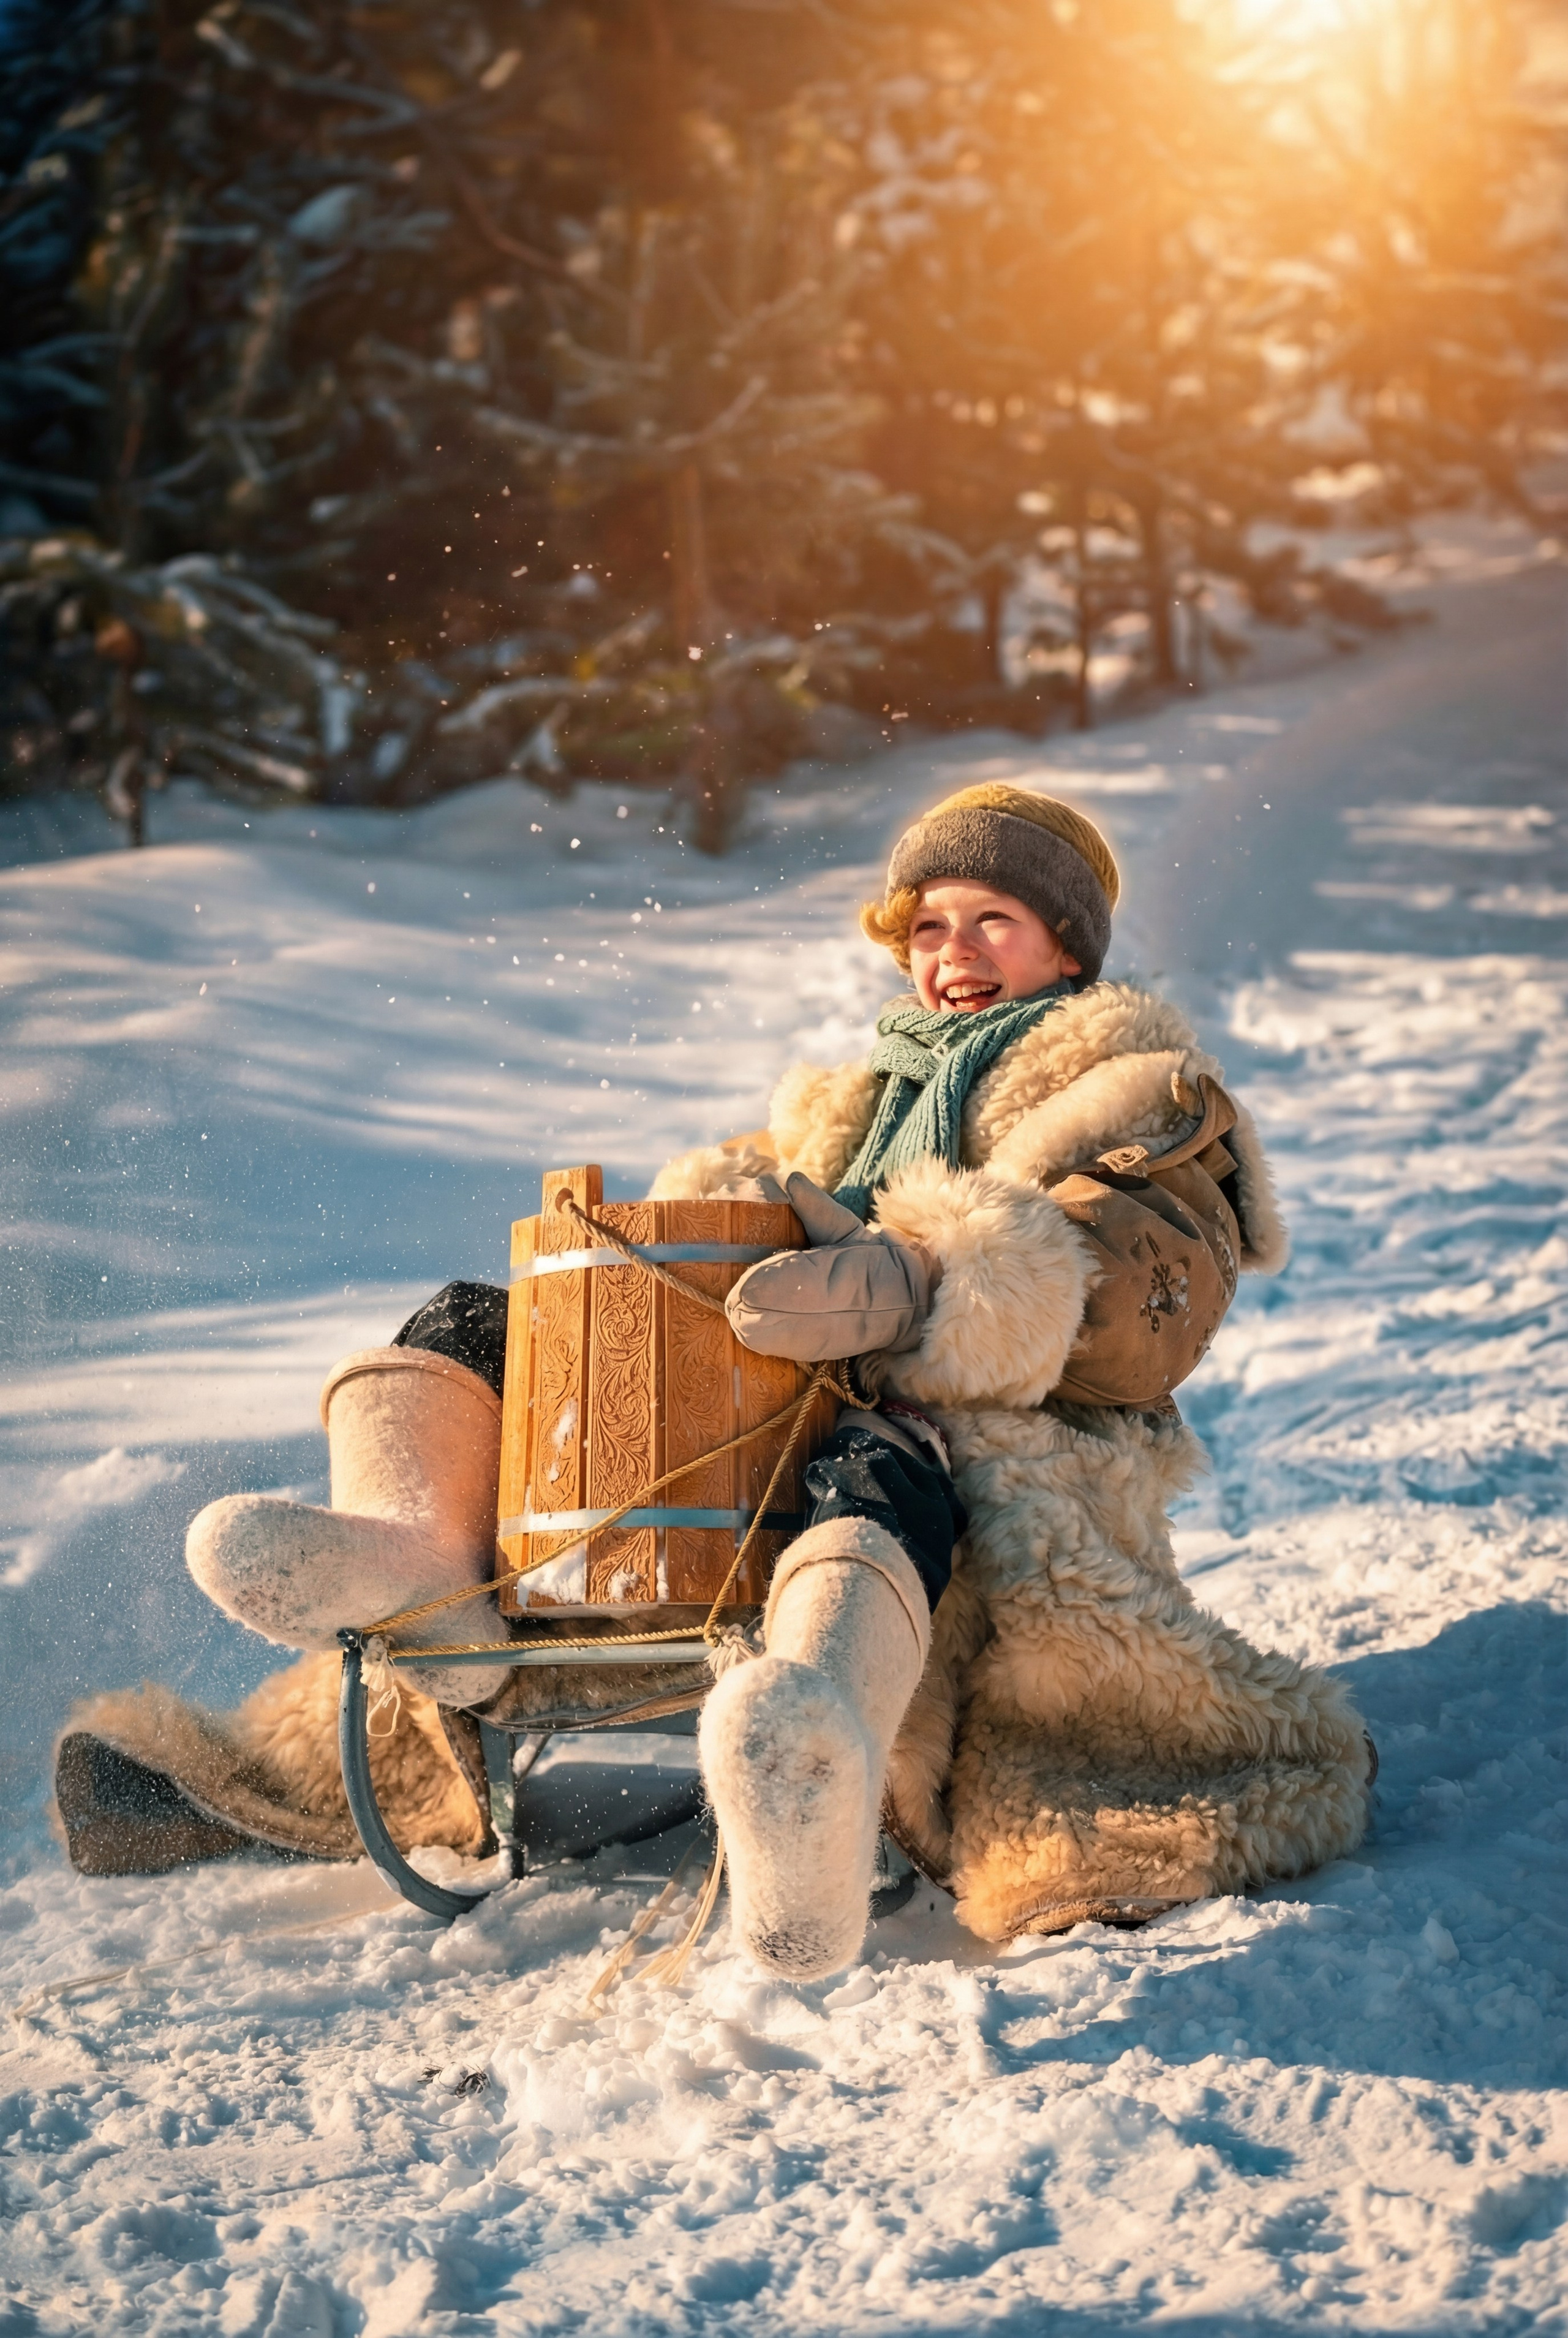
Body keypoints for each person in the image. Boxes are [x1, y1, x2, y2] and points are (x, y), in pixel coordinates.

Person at [66, 786, 1371, 1970]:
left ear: (1066, 947)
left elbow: (1133, 1284)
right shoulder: (851, 1101)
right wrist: (690, 1239)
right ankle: (421, 1574)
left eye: (994, 921)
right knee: (481, 1324)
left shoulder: (1134, 1093)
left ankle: (809, 1747)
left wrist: (916, 1281)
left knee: (880, 1461)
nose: (953, 952)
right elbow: (733, 1204)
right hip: (759, 1412)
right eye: (928, 926)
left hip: (957, 1440)